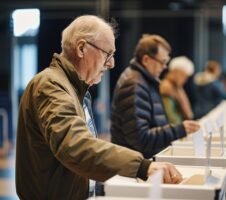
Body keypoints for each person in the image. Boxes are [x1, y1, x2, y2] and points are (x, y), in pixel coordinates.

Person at [15, 15, 183, 200]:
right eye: (107, 54)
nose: (111, 63)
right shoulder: (50, 85)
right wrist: (142, 166)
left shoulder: (76, 90)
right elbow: (75, 146)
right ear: (81, 48)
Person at [110, 34, 200, 159]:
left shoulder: (145, 81)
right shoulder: (134, 84)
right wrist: (178, 130)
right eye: (162, 62)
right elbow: (140, 139)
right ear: (146, 60)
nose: (165, 67)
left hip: (143, 161)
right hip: (135, 165)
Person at [160, 56, 194, 124]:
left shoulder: (177, 88)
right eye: (184, 76)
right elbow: (171, 118)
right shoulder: (166, 88)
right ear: (176, 73)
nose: (185, 80)